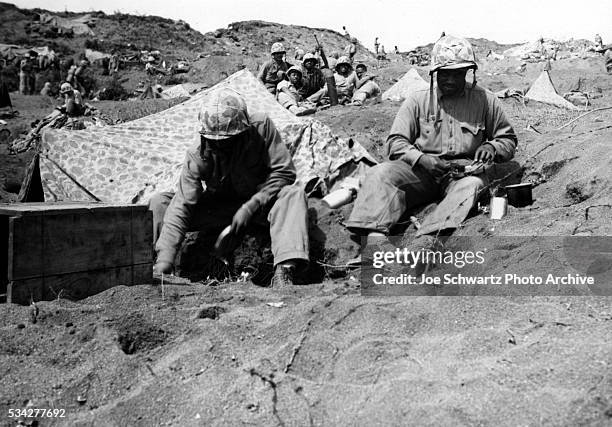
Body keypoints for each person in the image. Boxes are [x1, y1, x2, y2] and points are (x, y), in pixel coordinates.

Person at [344, 35, 517, 245]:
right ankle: (375, 240)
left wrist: (492, 146)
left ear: (467, 72)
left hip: (463, 174)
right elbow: (395, 142)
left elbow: (507, 139)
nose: (450, 80)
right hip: (421, 172)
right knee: (380, 173)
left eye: (457, 74)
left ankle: (426, 239)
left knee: (472, 186)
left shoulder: (485, 100)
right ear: (435, 73)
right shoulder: (417, 100)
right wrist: (421, 159)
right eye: (444, 74)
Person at [150, 87, 310, 287]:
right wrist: (166, 258)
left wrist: (251, 206)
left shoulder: (261, 127)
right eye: (214, 142)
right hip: (219, 209)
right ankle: (157, 265)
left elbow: (284, 172)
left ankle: (284, 270)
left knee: (293, 194)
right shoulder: (198, 154)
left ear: (243, 132)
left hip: (261, 206)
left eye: (227, 141)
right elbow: (182, 204)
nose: (220, 147)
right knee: (160, 203)